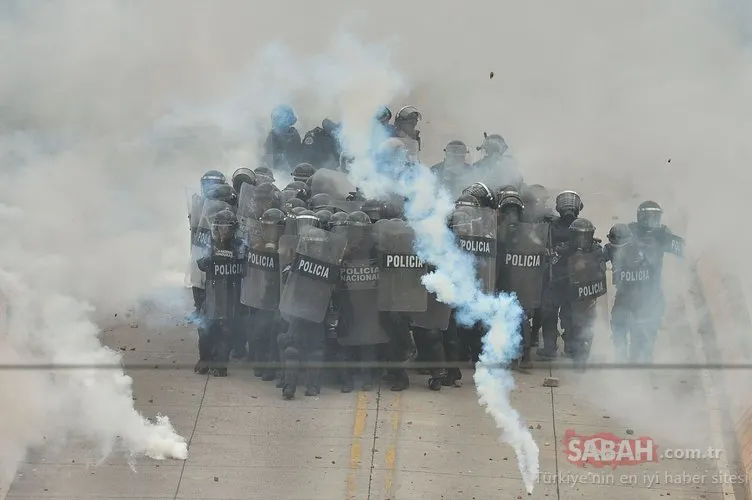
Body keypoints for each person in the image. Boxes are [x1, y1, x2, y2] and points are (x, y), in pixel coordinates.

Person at [195, 209, 245, 377]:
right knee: (204, 329)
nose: (223, 231)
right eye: (220, 227)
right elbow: (200, 264)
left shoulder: (240, 245)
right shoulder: (210, 244)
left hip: (231, 295)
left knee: (226, 330)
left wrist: (233, 258)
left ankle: (221, 363)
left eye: (227, 228)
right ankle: (204, 359)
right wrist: (211, 259)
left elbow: (245, 266)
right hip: (212, 293)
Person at [537, 190, 584, 359]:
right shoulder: (581, 226)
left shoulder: (552, 225)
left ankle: (550, 348)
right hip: (571, 278)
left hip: (554, 277)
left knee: (550, 313)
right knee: (568, 313)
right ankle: (570, 348)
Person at [263, 105, 302, 170]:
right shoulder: (273, 136)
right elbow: (269, 159)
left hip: (294, 170)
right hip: (279, 172)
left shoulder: (294, 135)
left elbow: (298, 154)